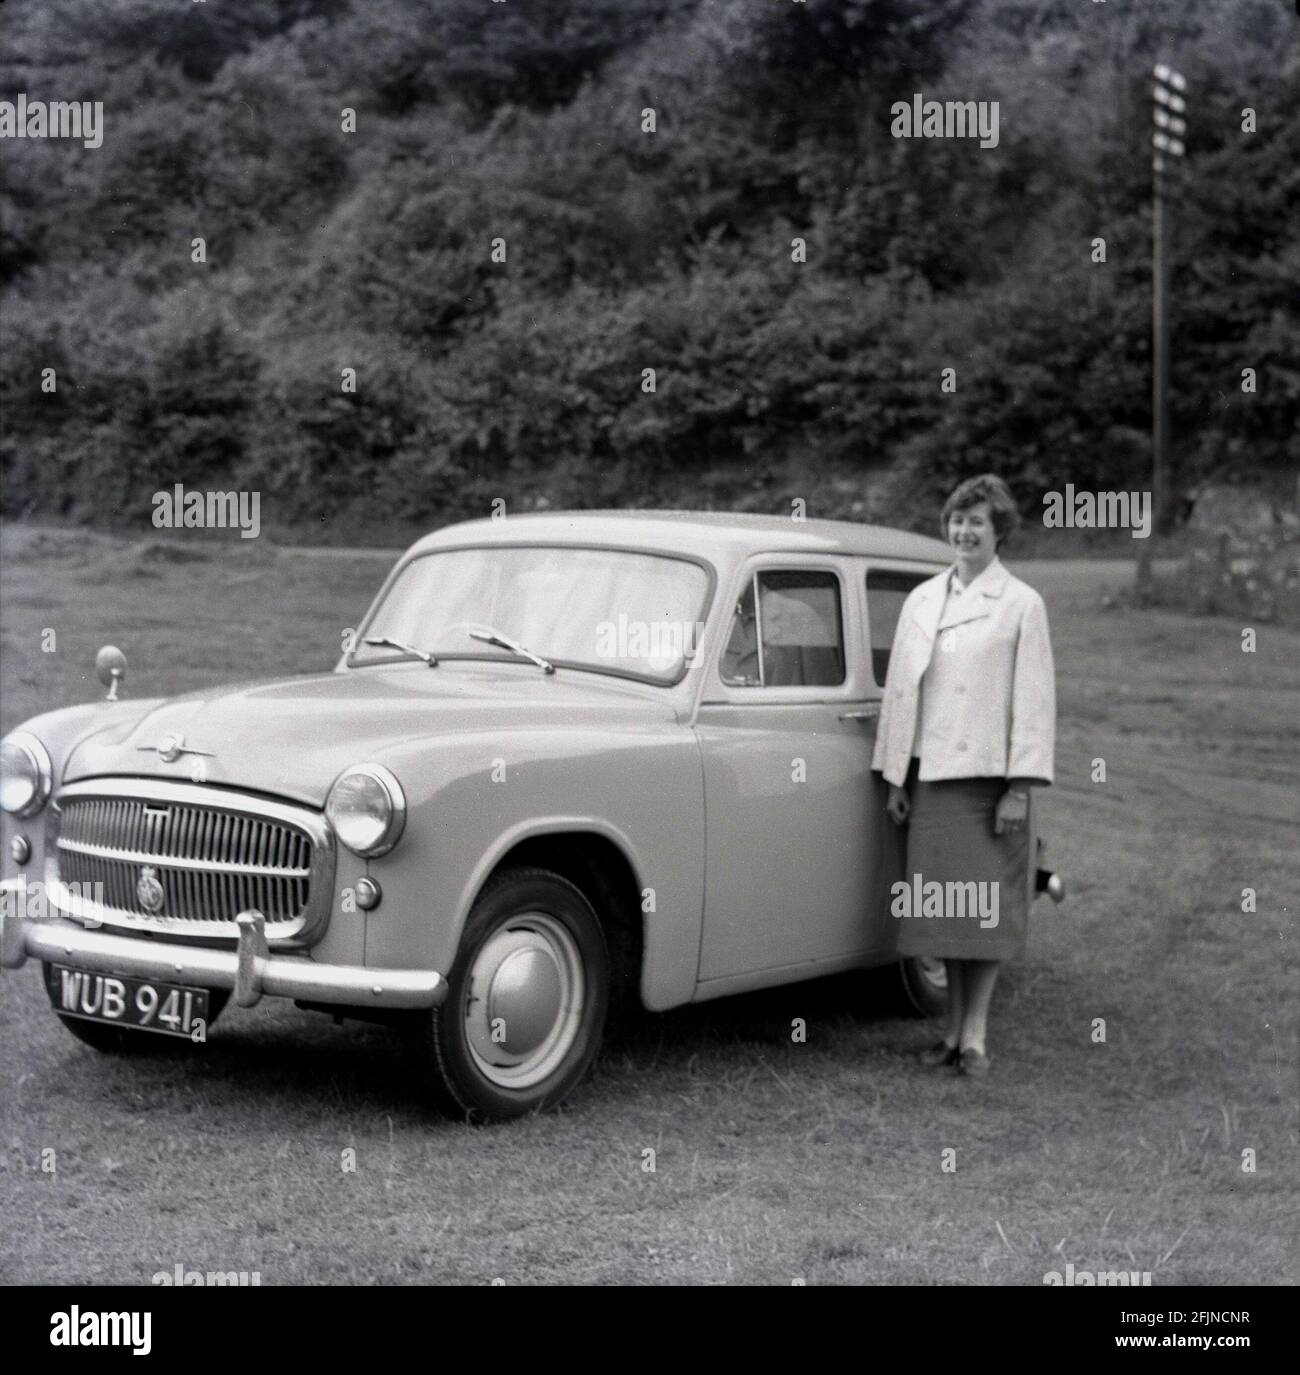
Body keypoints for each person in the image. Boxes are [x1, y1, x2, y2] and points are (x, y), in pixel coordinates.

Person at [872, 474, 1056, 1077]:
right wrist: (897, 776)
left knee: (986, 914)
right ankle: (950, 1034)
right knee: (946, 914)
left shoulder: (1021, 604)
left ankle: (975, 1036)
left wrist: (1020, 788)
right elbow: (903, 693)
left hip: (988, 783)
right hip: (932, 776)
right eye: (957, 520)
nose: (964, 531)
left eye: (977, 522)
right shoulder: (923, 599)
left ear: (999, 530)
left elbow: (1033, 703)